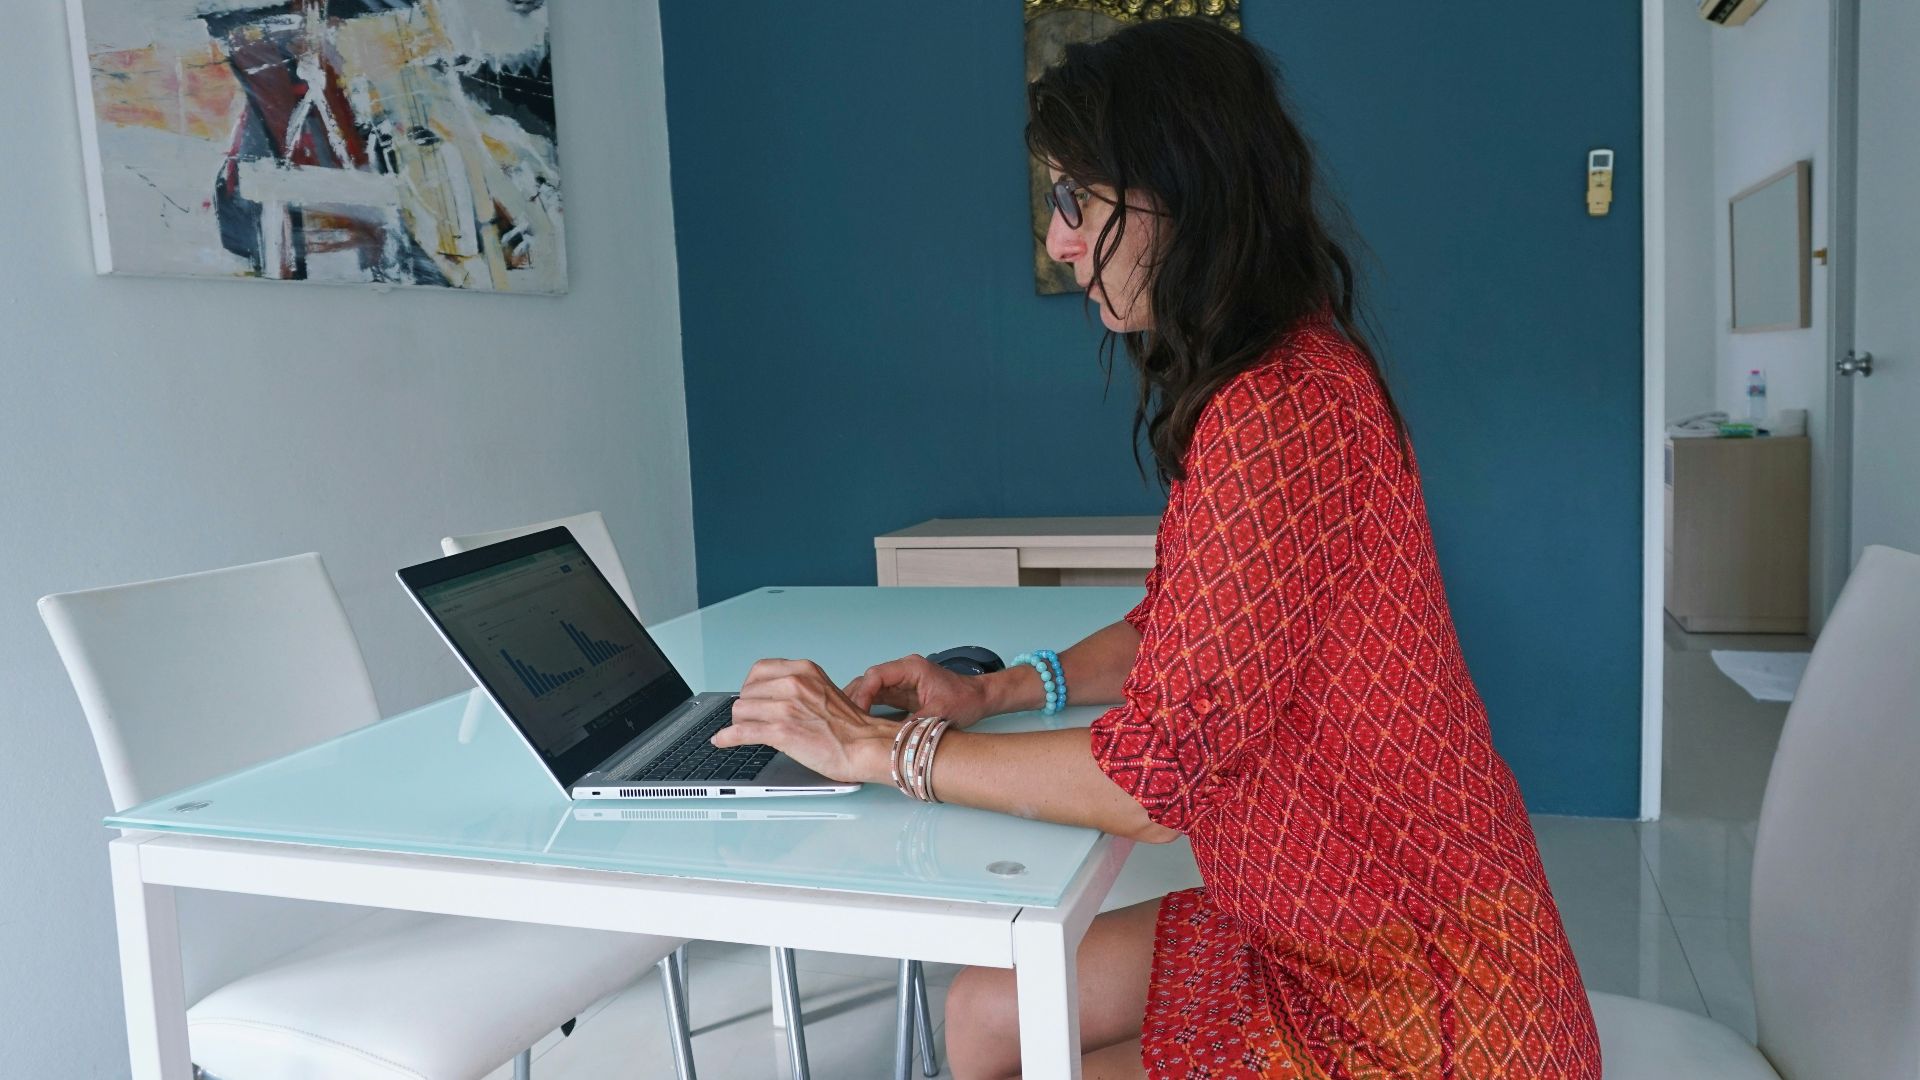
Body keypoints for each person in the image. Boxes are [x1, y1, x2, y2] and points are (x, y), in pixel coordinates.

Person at [712, 17, 1602, 1079]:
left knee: (1022, 1042)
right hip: (1315, 922)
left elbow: (1152, 781)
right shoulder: (1269, 383)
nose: (1058, 240)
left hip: (1420, 996)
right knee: (989, 1013)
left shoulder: (1283, 410)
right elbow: (1179, 627)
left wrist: (879, 753)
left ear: (1190, 195)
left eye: (1079, 201)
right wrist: (992, 695)